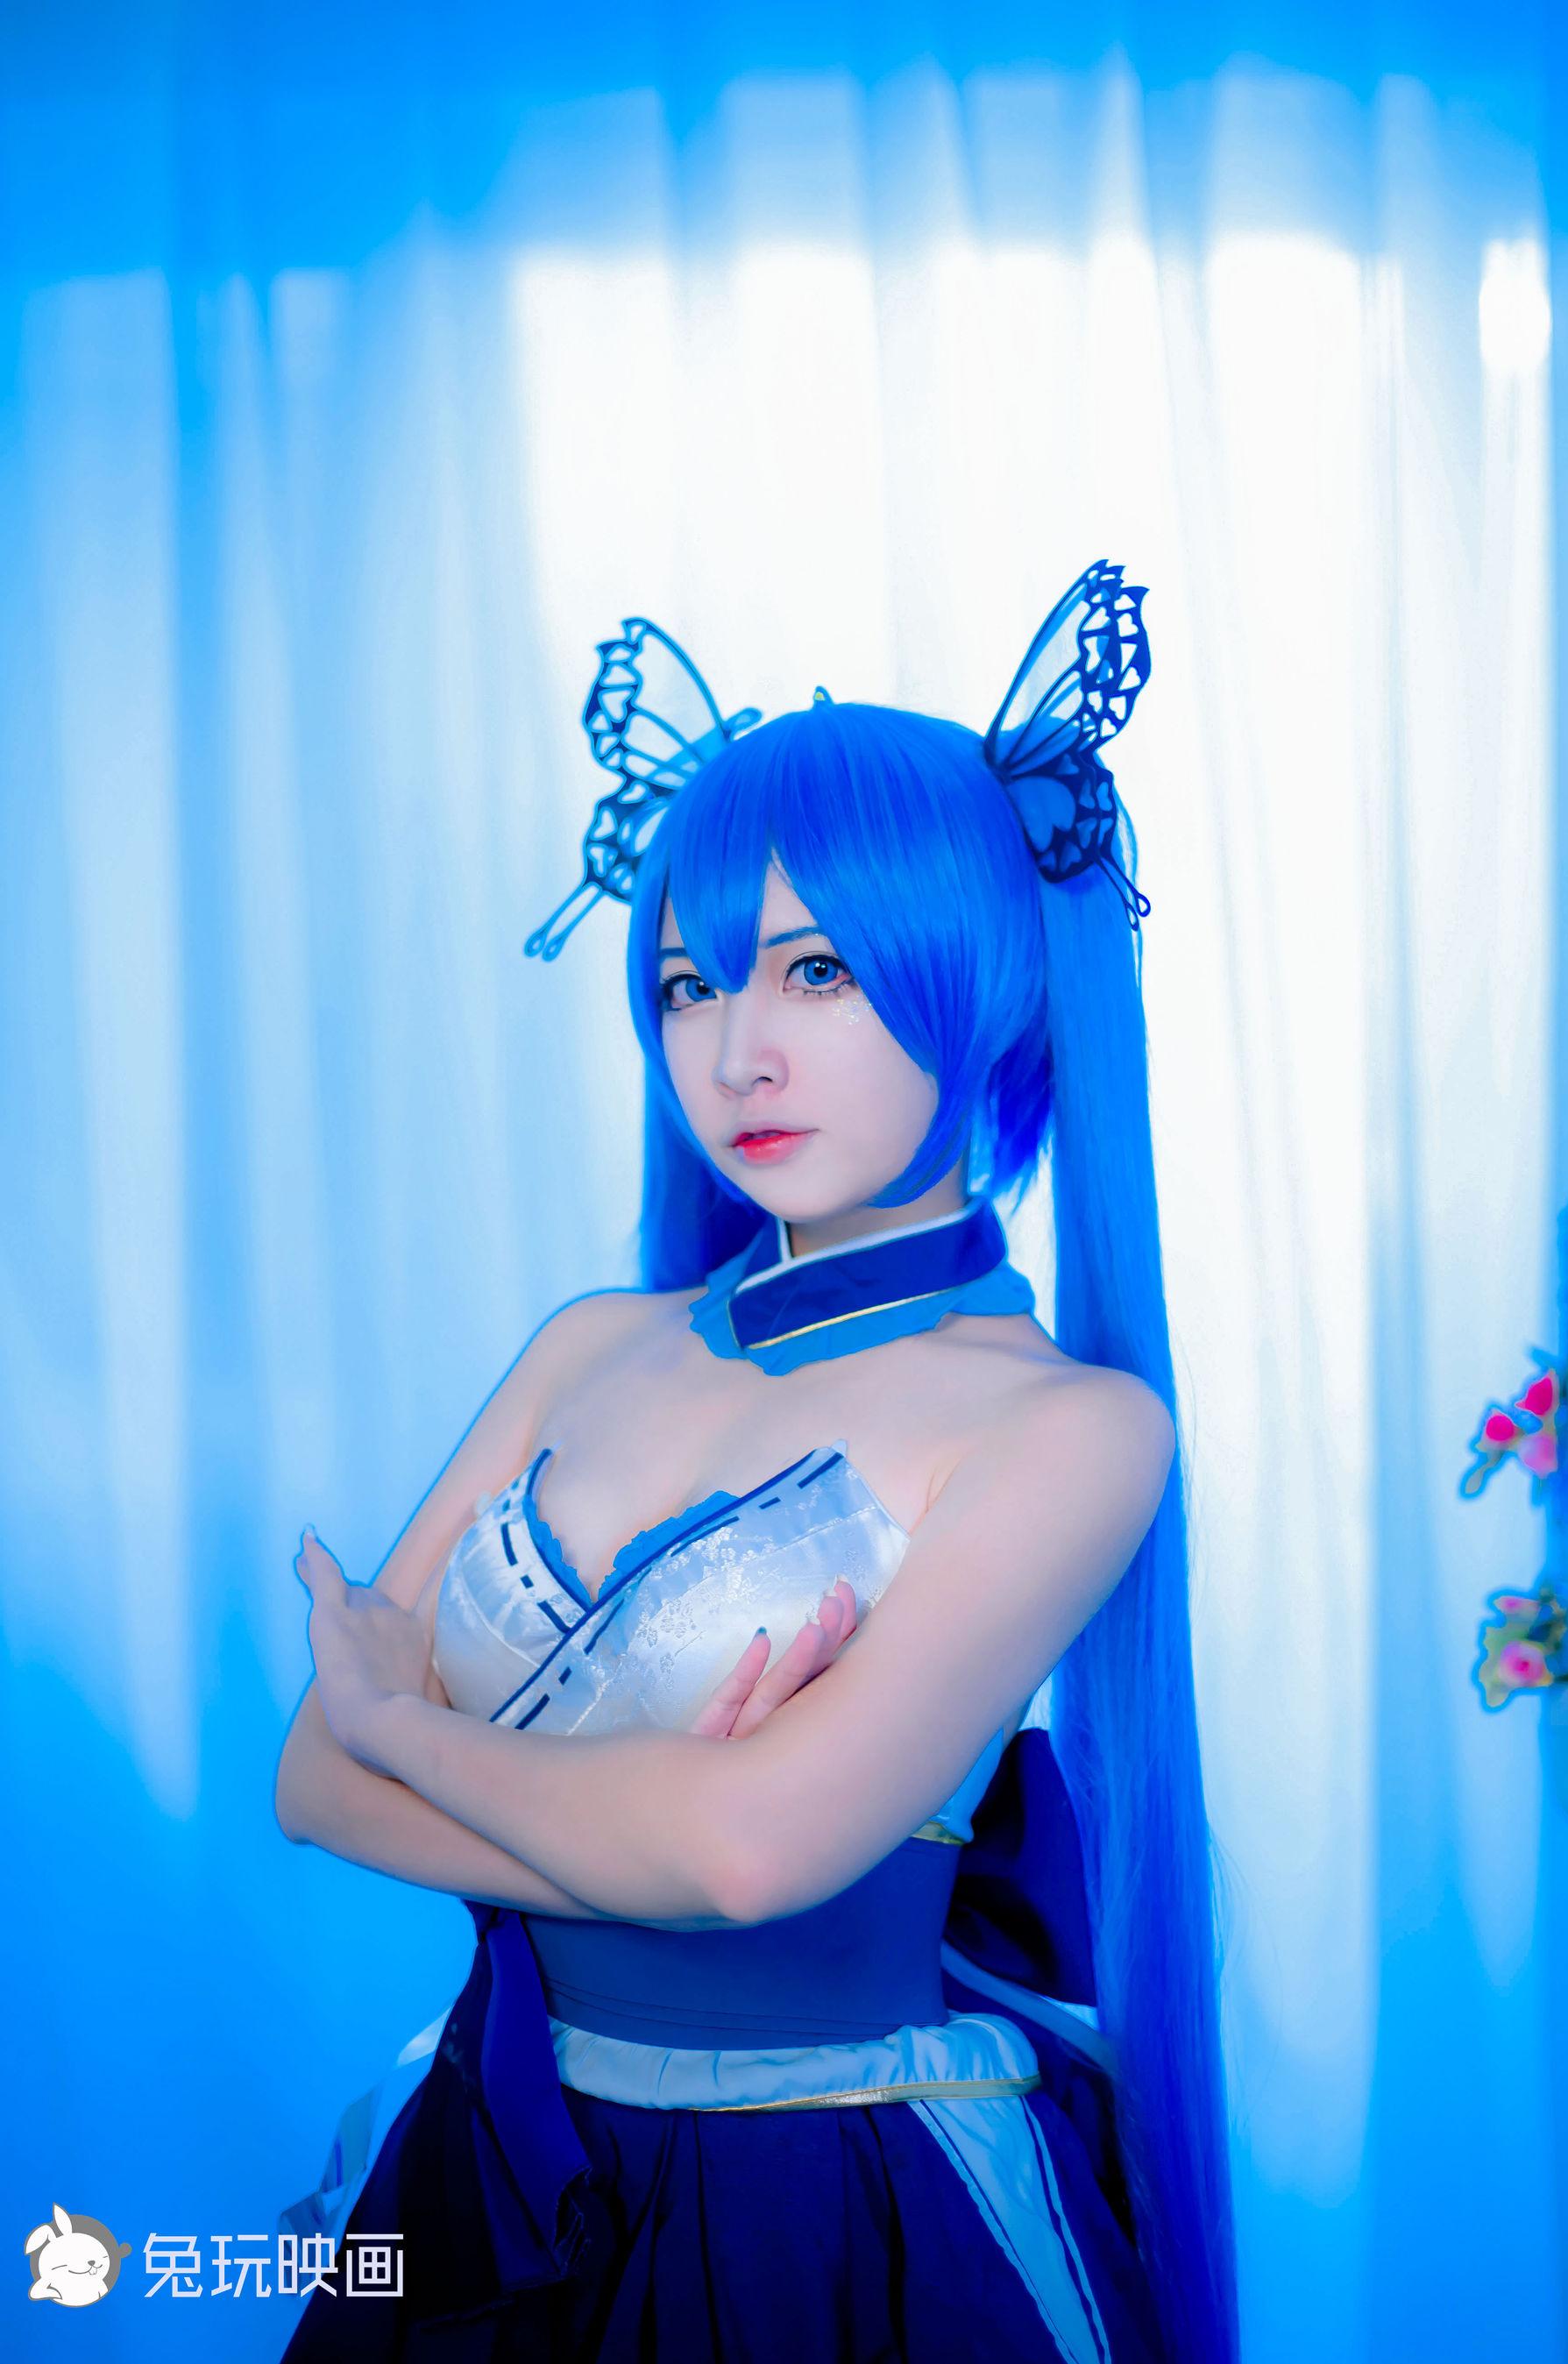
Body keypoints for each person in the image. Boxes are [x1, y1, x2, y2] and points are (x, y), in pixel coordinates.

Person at [272, 568, 1240, 2363]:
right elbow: (309, 1786)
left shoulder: (1072, 1426)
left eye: (818, 970)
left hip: (836, 2205)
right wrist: (644, 1812)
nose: (736, 1052)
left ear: (981, 977)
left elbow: (740, 1856)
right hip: (494, 2151)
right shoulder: (589, 1344)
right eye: (687, 982)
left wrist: (414, 1725)